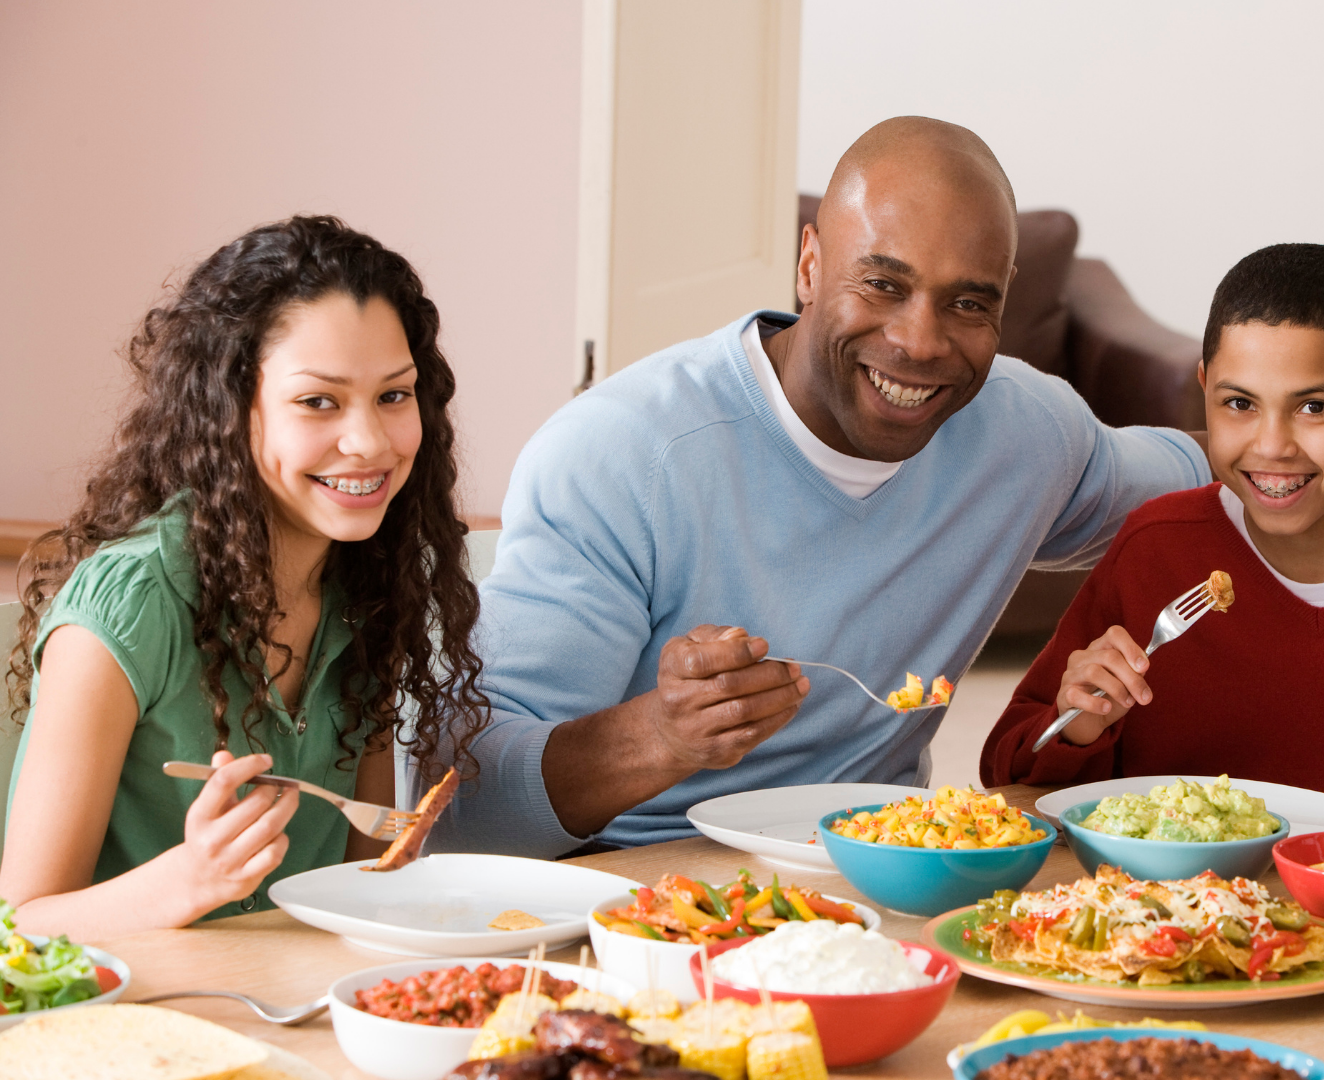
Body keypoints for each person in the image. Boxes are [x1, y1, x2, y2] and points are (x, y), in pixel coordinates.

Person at [429, 117, 1214, 855]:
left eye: (968, 303)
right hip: (637, 890)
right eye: (882, 285)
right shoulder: (621, 456)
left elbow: (1245, 471)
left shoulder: (1028, 433)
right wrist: (659, 739)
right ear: (809, 265)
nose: (918, 342)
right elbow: (461, 809)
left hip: (890, 878)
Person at [1, 217, 488, 939]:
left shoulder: (370, 582)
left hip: (295, 1009)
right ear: (230, 412)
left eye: (394, 395)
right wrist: (188, 883)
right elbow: (19, 926)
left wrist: (407, 867)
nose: (370, 442)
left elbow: (361, 882)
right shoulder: (131, 604)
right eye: (318, 401)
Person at [980, 244, 1324, 830]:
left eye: (1314, 406)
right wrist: (1079, 722)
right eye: (1239, 403)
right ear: (1205, 391)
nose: (1272, 445)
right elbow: (1008, 777)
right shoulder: (1156, 547)